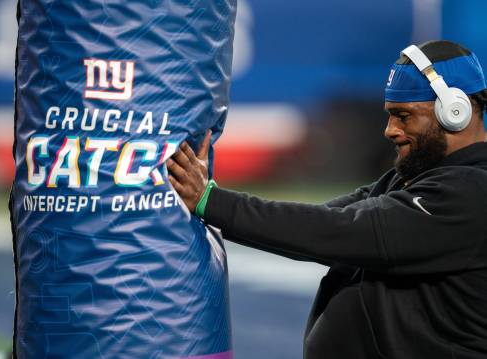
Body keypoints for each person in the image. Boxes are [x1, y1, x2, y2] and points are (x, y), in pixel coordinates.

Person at [166, 40, 487, 358]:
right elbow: (316, 223)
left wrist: (213, 202)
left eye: (404, 116)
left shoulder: (472, 193)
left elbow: (338, 230)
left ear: (454, 111)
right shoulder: (413, 179)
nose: (390, 130)